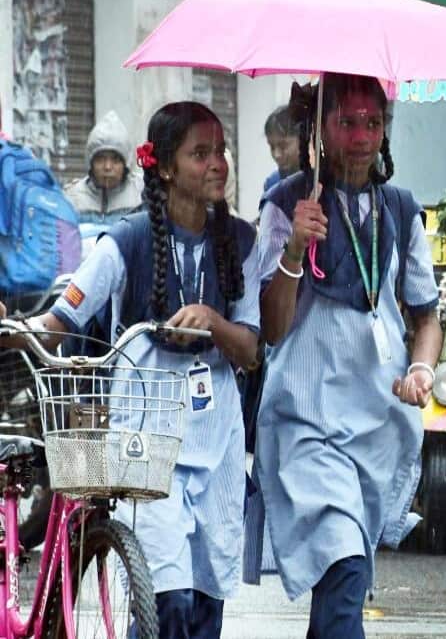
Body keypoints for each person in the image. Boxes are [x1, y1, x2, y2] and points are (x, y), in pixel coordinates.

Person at [3, 101, 261, 638]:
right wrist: (16, 327)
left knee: (207, 601)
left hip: (219, 438)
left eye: (221, 152)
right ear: (165, 167)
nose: (218, 164)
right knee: (168, 598)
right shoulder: (124, 242)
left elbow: (252, 349)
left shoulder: (243, 242)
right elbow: (60, 319)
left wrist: (213, 321)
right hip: (147, 439)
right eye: (200, 154)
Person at [244, 74, 441, 639]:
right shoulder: (286, 203)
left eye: (372, 123)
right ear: (321, 129)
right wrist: (294, 248)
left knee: (341, 583)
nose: (360, 136)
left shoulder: (400, 210)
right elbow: (274, 328)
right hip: (306, 420)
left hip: (376, 419)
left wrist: (421, 369)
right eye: (346, 122)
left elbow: (424, 317)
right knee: (345, 564)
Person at [64, 110, 144, 225]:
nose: (107, 167)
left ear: (126, 164)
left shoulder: (140, 195)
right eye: (100, 159)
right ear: (90, 163)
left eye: (115, 160)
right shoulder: (74, 197)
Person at [262, 104, 302, 192]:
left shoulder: (326, 182)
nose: (277, 155)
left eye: (283, 146)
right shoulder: (272, 184)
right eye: (272, 147)